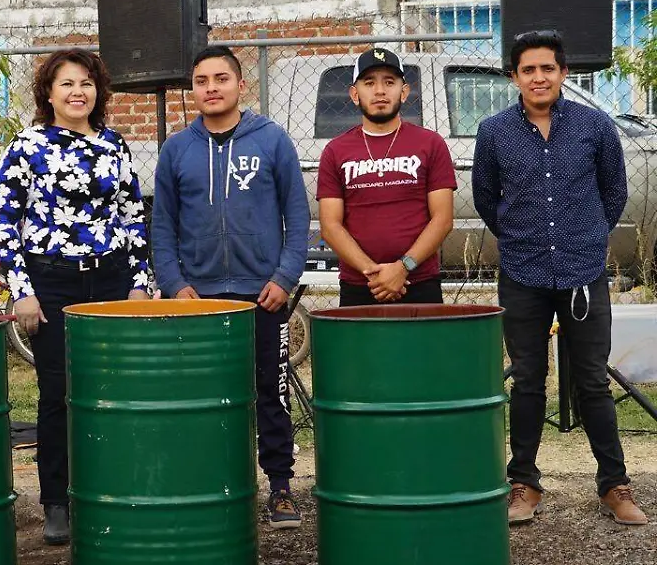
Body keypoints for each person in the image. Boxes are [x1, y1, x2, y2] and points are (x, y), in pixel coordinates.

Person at [472, 30, 646, 526]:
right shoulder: (494, 133)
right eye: (528, 69)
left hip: (582, 275)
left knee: (591, 382)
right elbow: (488, 200)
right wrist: (521, 236)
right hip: (523, 274)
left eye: (548, 67)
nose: (539, 77)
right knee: (528, 382)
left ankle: (614, 485)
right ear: (514, 77)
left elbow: (613, 194)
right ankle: (524, 483)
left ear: (564, 73)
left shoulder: (595, 127)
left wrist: (585, 238)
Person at [0, 48, 151, 545]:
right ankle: (56, 502)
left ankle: (111, 488)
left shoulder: (114, 144)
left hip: (108, 281)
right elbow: (4, 219)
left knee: (113, 390)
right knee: (57, 393)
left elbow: (132, 215)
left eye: (86, 82)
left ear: (98, 90)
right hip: (52, 284)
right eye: (67, 83)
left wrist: (140, 281)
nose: (78, 91)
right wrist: (23, 291)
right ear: (49, 93)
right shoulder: (27, 144)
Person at [151, 45, 309, 529]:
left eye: (221, 78)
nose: (211, 88)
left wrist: (284, 277)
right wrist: (175, 284)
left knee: (270, 392)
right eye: (201, 80)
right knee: (202, 396)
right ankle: (208, 484)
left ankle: (280, 487)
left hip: (263, 295)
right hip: (198, 300)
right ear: (192, 89)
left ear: (242, 85)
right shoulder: (176, 149)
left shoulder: (273, 140)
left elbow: (298, 216)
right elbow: (161, 227)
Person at [317, 48, 456, 306]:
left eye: (389, 82)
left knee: (422, 349)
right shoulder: (335, 151)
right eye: (369, 83)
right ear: (354, 94)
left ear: (404, 92)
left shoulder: (430, 144)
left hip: (419, 282)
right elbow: (331, 226)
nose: (380, 91)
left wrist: (403, 268)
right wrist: (374, 274)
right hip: (360, 284)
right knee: (361, 349)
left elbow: (443, 219)